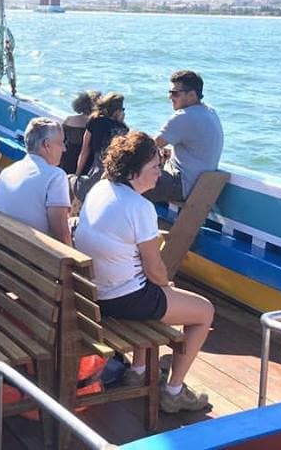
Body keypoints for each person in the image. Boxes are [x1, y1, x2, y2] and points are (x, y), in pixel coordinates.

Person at [74, 132, 214, 414]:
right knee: (204, 312)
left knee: (152, 288)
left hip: (92, 292)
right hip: (121, 299)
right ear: (133, 171)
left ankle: (137, 371)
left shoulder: (101, 189)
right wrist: (167, 287)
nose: (158, 175)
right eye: (154, 168)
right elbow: (155, 268)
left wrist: (161, 287)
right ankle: (174, 391)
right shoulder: (140, 208)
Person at [145, 70, 224, 204]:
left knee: (127, 179)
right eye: (170, 92)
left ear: (192, 95)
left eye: (175, 93)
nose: (170, 97)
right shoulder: (210, 112)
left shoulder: (184, 117)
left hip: (181, 185)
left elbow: (147, 147)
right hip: (200, 185)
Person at [0, 118, 72, 246]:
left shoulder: (9, 170)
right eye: (61, 143)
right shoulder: (56, 176)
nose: (64, 149)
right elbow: (61, 235)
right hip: (26, 259)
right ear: (47, 144)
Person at [60, 90, 100, 175]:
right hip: (86, 163)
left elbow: (61, 139)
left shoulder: (69, 120)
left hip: (68, 157)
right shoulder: (96, 124)